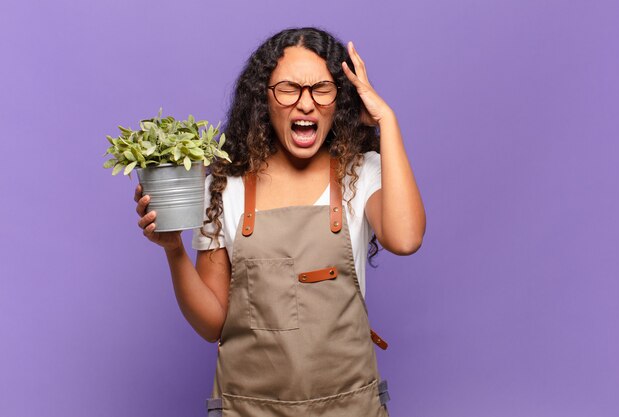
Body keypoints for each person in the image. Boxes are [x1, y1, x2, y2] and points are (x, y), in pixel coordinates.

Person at [134, 27, 425, 417]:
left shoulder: (360, 172)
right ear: (264, 99)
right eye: (289, 88)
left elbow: (406, 239)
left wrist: (386, 120)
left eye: (321, 88)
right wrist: (173, 251)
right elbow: (211, 325)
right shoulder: (225, 183)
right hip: (248, 409)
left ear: (339, 100)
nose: (305, 103)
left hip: (350, 407)